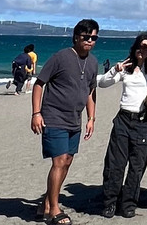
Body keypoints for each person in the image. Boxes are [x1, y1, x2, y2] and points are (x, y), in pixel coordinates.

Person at [32, 19, 100, 225]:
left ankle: (46, 202)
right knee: (59, 161)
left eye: (94, 37)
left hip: (75, 120)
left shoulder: (94, 62)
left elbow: (90, 92)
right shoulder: (60, 57)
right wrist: (36, 113)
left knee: (68, 162)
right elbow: (39, 84)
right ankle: (53, 209)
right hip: (54, 117)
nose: (89, 41)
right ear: (76, 37)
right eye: (86, 37)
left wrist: (91, 118)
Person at [98, 33, 147, 218]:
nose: (141, 51)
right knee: (116, 164)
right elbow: (102, 83)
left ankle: (128, 203)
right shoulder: (126, 68)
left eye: (145, 48)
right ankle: (110, 202)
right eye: (139, 47)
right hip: (123, 119)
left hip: (143, 121)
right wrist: (114, 70)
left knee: (137, 166)